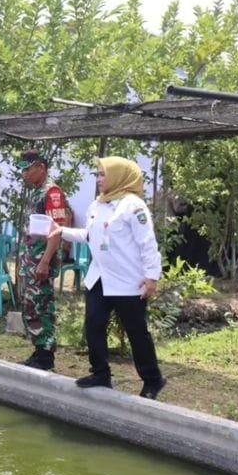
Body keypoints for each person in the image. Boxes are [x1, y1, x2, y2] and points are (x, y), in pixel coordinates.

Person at [51, 156, 166, 399]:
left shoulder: (134, 206)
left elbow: (147, 244)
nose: (99, 179)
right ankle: (100, 373)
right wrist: (62, 231)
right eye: (98, 174)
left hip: (128, 281)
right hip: (100, 278)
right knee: (93, 324)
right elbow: (90, 235)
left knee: (136, 332)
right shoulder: (97, 205)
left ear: (118, 176)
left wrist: (152, 277)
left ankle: (152, 379)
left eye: (103, 174)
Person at [16, 149, 68, 371]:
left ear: (41, 167)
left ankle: (46, 355)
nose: (24, 174)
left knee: (42, 306)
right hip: (32, 260)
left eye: (27, 169)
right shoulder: (37, 192)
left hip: (41, 261)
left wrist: (46, 261)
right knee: (31, 306)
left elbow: (56, 231)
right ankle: (38, 351)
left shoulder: (52, 193)